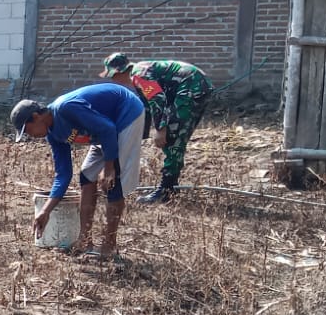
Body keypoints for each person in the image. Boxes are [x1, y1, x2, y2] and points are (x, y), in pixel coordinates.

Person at [11, 81, 147, 261]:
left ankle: (109, 246)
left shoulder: (66, 109)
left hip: (125, 113)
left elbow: (108, 128)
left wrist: (109, 167)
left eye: (27, 130)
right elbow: (63, 175)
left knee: (113, 182)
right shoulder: (53, 135)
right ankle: (84, 240)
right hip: (103, 132)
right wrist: (45, 211)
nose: (30, 136)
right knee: (87, 176)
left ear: (36, 117)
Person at [100, 52, 212, 203]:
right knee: (175, 135)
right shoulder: (139, 74)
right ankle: (170, 188)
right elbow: (146, 108)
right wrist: (139, 135)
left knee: (173, 137)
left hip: (191, 85)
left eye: (112, 76)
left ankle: (165, 191)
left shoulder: (139, 76)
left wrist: (161, 129)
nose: (113, 80)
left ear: (119, 72)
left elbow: (157, 99)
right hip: (194, 85)